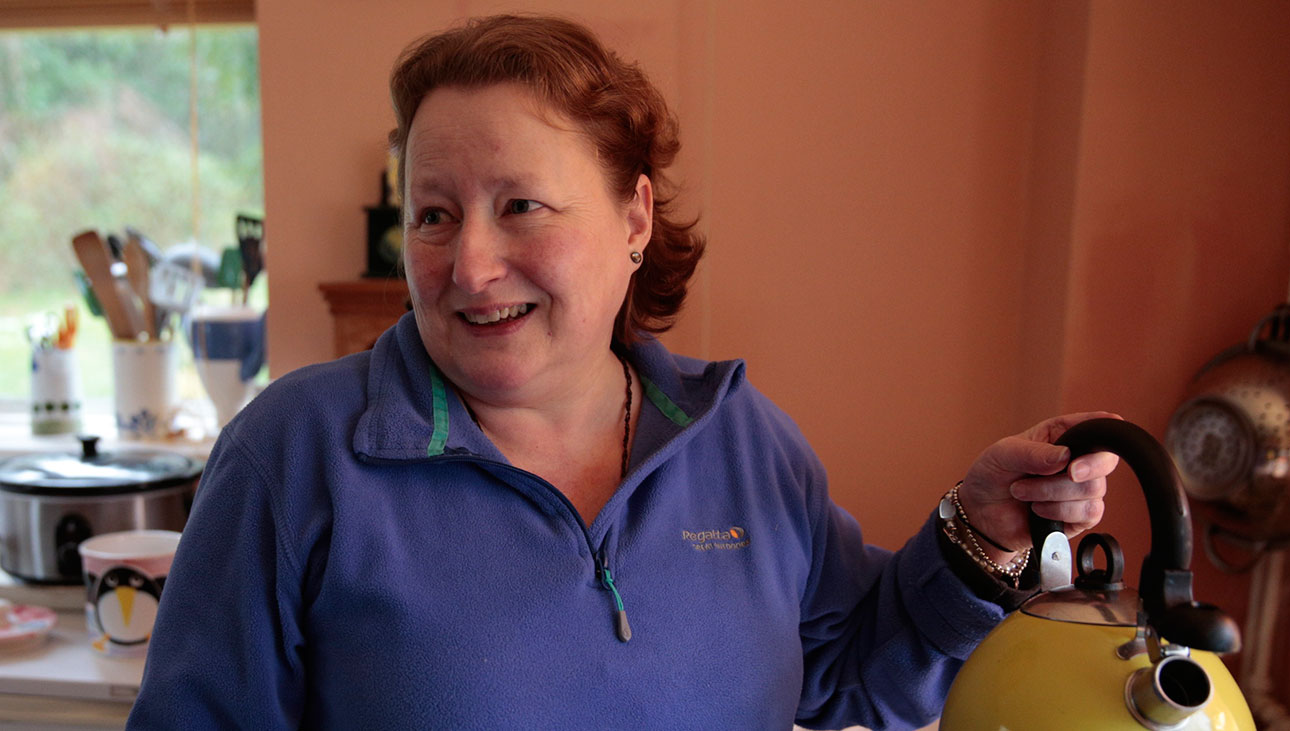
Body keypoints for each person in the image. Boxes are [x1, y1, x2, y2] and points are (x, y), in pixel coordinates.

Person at [127, 14, 1119, 730]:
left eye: (521, 205)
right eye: (432, 214)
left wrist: (977, 536)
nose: (468, 264)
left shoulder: (740, 439)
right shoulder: (294, 456)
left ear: (634, 219)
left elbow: (861, 666)